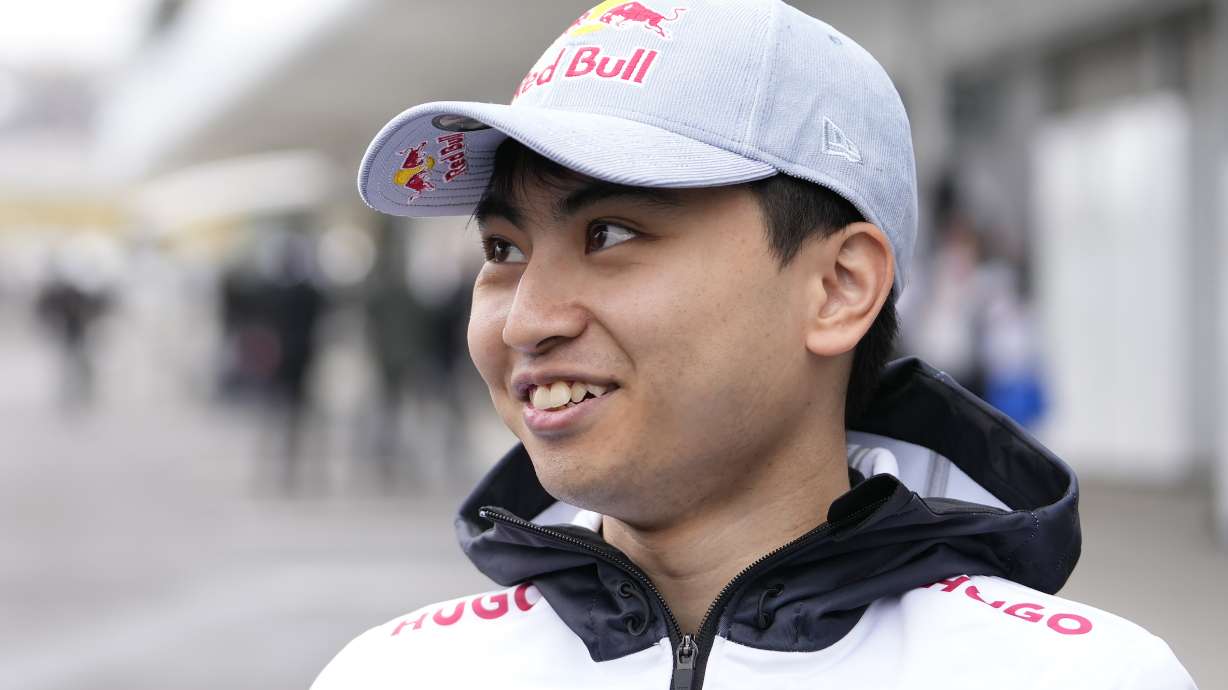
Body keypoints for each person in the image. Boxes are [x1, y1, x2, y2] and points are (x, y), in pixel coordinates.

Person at [313, 1, 1196, 688]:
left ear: (839, 288)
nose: (526, 319)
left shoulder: (1075, 677)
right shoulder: (392, 673)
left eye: (611, 234)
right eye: (503, 250)